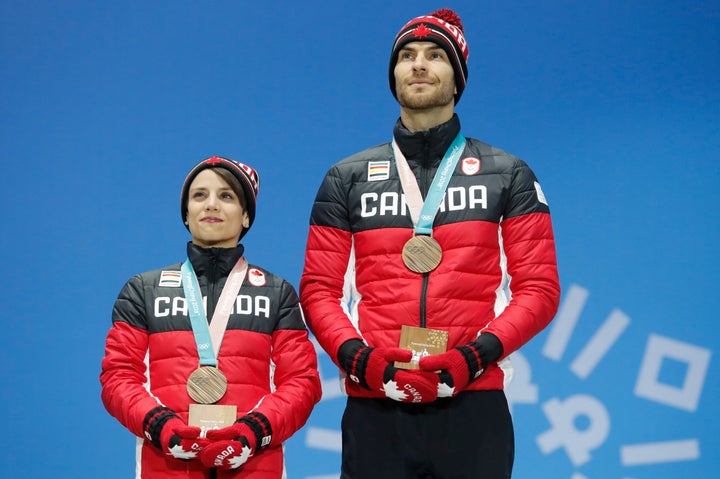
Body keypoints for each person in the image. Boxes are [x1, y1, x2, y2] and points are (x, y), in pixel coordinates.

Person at [300, 8, 560, 479]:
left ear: (457, 79)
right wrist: (362, 361)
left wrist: (474, 356)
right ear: (393, 75)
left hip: (475, 399)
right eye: (407, 56)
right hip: (375, 401)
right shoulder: (346, 178)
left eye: (435, 55)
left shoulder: (509, 173)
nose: (418, 65)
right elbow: (319, 290)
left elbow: (539, 290)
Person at [101, 156, 322, 479]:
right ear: (186, 215)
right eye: (200, 195)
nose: (212, 205)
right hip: (167, 466)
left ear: (246, 216)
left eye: (227, 196)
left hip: (254, 465)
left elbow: (302, 382)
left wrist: (253, 431)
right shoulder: (143, 290)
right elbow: (117, 377)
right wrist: (159, 425)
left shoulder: (277, 293)